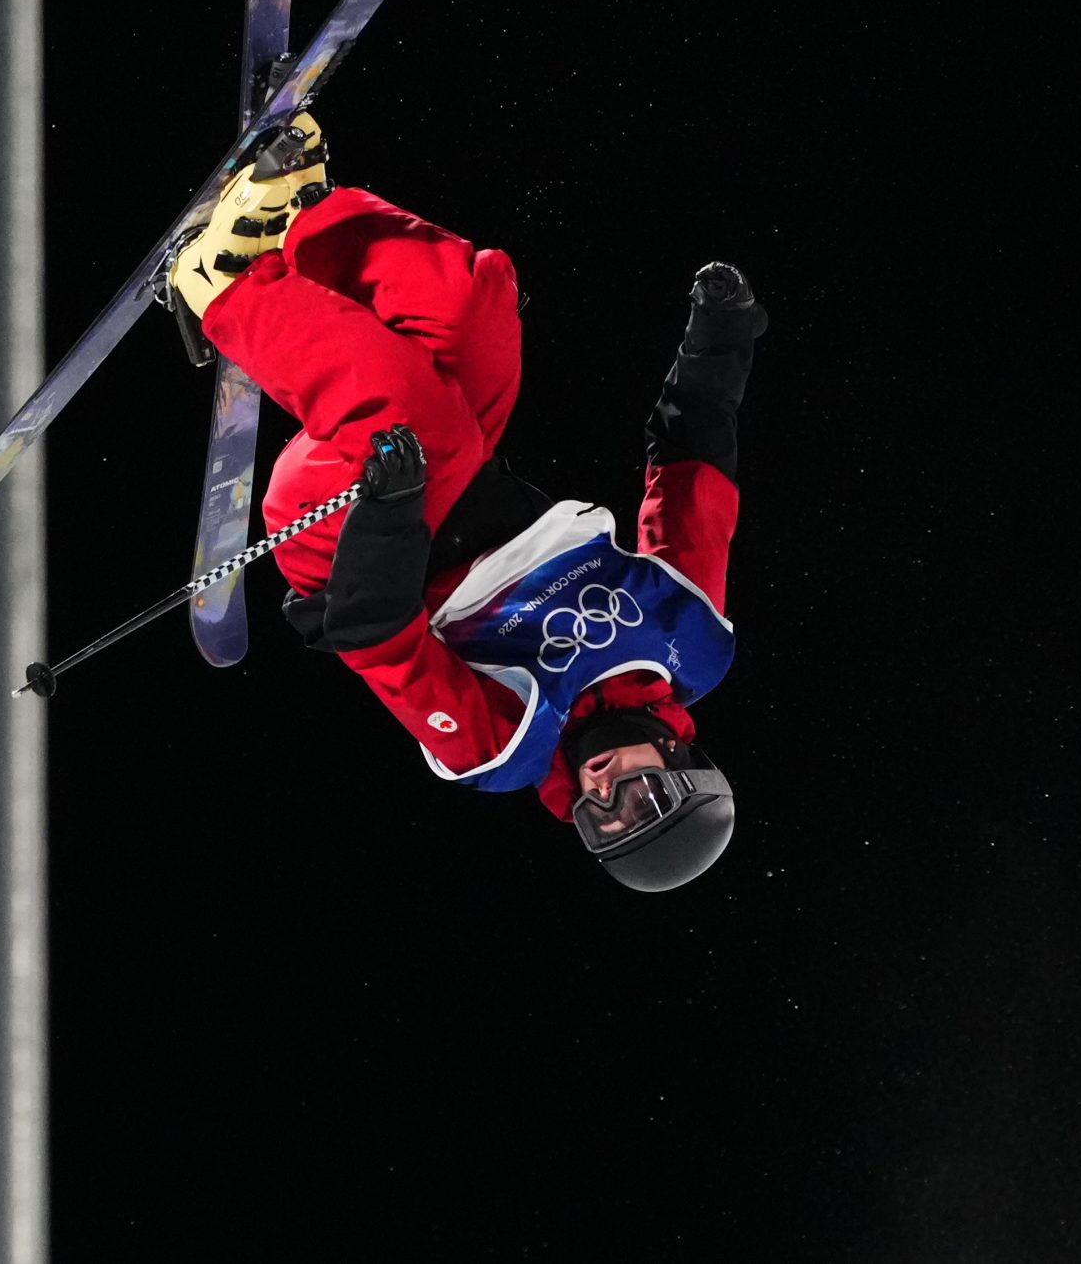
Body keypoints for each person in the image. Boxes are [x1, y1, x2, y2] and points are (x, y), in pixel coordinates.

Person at [166, 110, 767, 890]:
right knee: (480, 304)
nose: (603, 789)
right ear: (685, 762)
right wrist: (720, 342)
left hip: (357, 535)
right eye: (640, 796)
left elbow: (377, 638)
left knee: (422, 421)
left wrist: (389, 512)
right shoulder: (689, 637)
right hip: (455, 462)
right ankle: (302, 227)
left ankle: (220, 287)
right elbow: (692, 483)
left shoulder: (504, 746)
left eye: (597, 818)